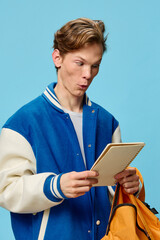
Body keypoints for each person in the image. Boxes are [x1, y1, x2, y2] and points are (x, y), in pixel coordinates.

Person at [0, 18, 142, 240]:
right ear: (57, 58)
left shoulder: (109, 123)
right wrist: (55, 186)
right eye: (80, 63)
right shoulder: (21, 124)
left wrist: (132, 186)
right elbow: (7, 191)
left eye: (95, 65)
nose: (88, 74)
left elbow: (113, 195)